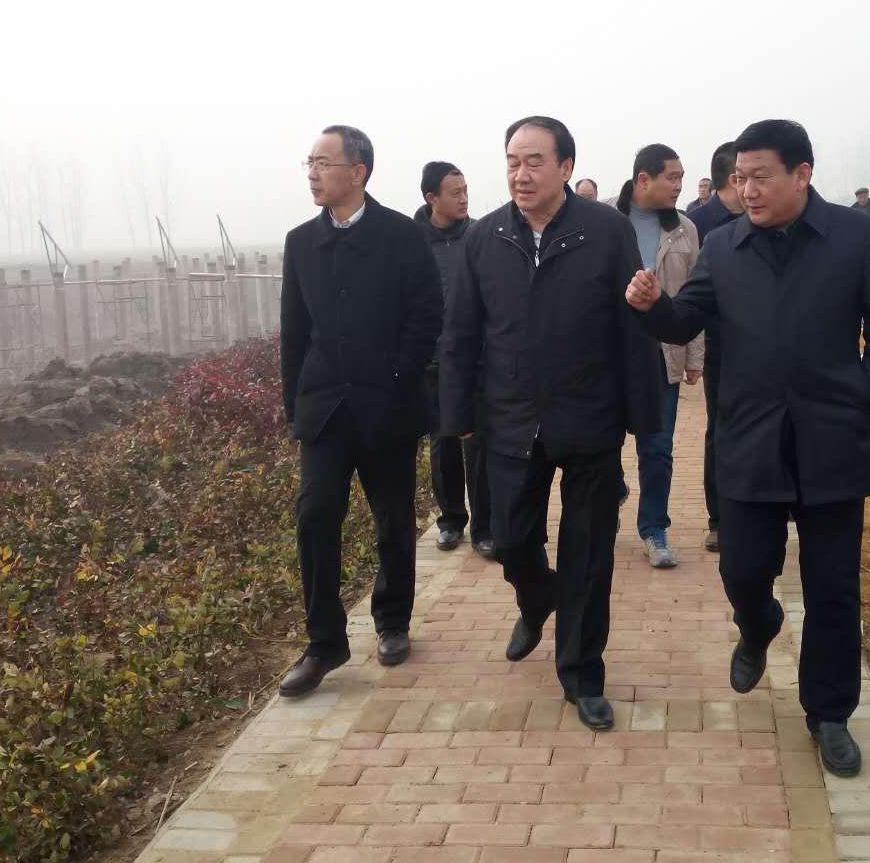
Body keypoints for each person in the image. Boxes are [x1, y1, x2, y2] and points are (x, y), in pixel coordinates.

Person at [625, 119, 870, 778]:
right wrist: (651, 306)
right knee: (743, 571)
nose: (747, 190)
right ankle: (757, 626)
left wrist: (866, 396)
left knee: (834, 586)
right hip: (750, 439)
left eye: (760, 177)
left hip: (833, 440)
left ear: (801, 174)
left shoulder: (852, 237)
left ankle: (829, 713)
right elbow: (685, 318)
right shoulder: (724, 246)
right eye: (739, 178)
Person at [440, 115, 661, 731]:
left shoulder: (606, 231)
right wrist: (456, 416)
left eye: (535, 161)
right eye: (513, 161)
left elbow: (631, 324)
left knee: (588, 553)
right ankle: (538, 598)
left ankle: (583, 674)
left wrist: (643, 416)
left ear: (565, 167)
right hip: (509, 420)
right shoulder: (485, 237)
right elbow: (460, 333)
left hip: (589, 417)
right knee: (509, 540)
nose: (521, 173)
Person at [279, 125, 443, 697]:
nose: (313, 173)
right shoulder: (301, 242)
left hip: (388, 406)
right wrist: (294, 407)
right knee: (315, 515)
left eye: (323, 163)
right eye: (309, 162)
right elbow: (294, 331)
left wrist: (399, 378)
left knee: (393, 519)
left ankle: (392, 620)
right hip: (325, 410)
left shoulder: (401, 236)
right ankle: (324, 642)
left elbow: (427, 314)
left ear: (358, 171)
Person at [615, 146, 704, 569]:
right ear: (643, 180)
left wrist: (694, 356)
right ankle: (607, 503)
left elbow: (695, 296)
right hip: (610, 357)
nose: (679, 185)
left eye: (681, 177)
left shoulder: (685, 229)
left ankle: (654, 528)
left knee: (657, 449)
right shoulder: (606, 222)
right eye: (671, 177)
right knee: (600, 446)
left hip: (663, 354)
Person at [415, 161, 493, 559]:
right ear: (432, 198)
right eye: (454, 192)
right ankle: (450, 520)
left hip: (475, 359)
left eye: (465, 191)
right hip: (432, 360)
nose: (463, 199)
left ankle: (485, 527)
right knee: (443, 442)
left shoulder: (480, 235)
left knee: (479, 445)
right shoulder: (412, 242)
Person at [690, 142, 743, 553]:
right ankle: (720, 520)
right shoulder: (698, 224)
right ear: (734, 178)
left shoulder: (765, 217)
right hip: (721, 346)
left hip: (769, 345)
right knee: (721, 430)